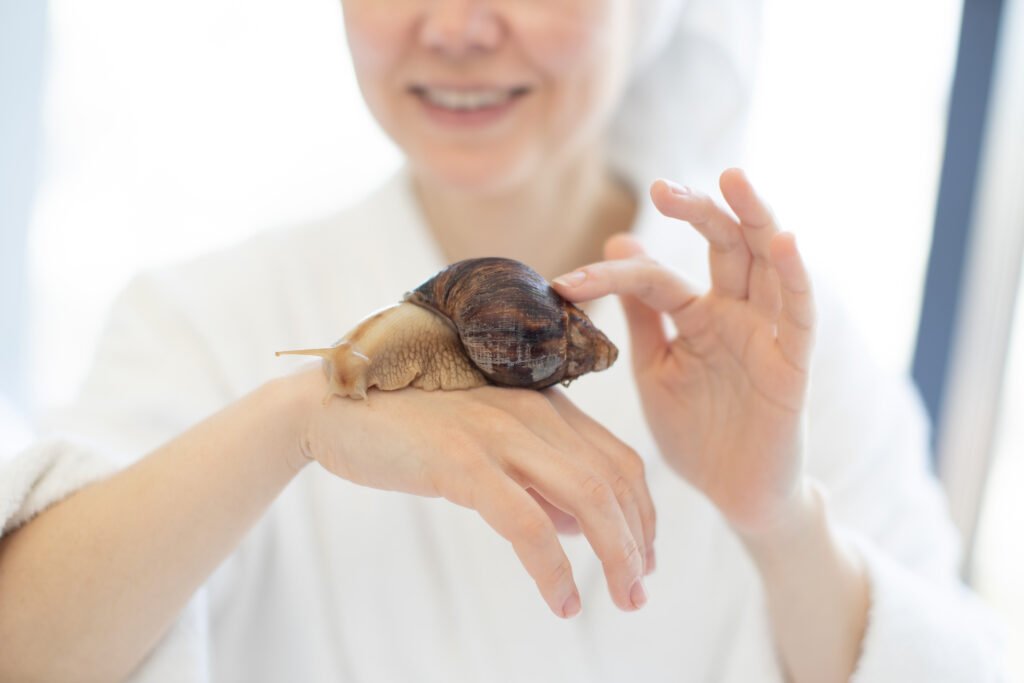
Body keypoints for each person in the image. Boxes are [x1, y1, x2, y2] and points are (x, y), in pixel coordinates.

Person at [0, 1, 1005, 681]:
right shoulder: (201, 320)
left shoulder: (780, 352)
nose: (458, 26)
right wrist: (295, 422)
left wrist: (781, 522)